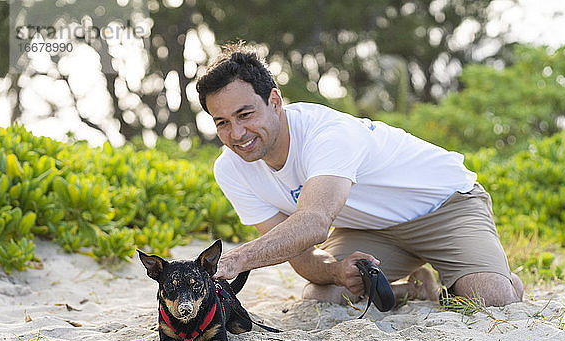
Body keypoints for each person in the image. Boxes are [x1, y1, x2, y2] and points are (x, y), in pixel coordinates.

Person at [195, 43, 523, 307]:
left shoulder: (327, 133)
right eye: (222, 122)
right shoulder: (230, 168)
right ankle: (412, 289)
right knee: (322, 297)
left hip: (445, 207)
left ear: (275, 101)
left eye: (245, 114)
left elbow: (314, 223)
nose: (237, 133)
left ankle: (499, 276)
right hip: (371, 230)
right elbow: (301, 254)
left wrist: (234, 260)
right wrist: (336, 271)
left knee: (492, 298)